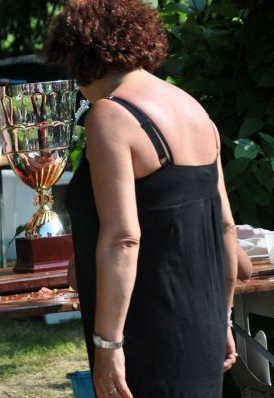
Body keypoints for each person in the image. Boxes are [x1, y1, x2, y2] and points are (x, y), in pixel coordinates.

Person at [45, 1, 238, 396]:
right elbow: (225, 227)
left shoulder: (110, 116)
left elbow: (124, 237)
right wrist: (225, 319)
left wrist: (108, 346)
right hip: (204, 324)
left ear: (77, 55)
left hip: (147, 330)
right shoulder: (193, 108)